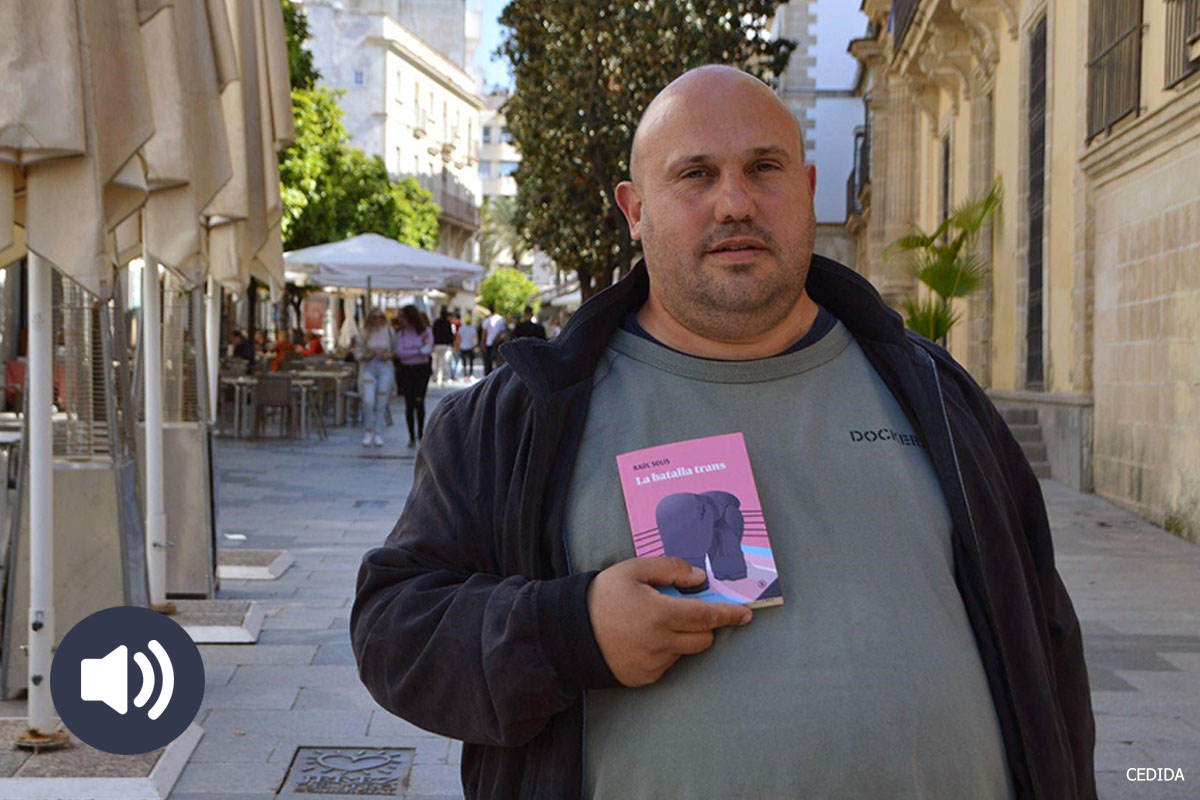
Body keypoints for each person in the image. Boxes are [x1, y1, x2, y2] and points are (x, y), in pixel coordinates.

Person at [351, 66, 1096, 800]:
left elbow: (1048, 643)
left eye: (763, 168)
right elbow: (394, 630)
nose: (734, 202)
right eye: (696, 174)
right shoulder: (519, 415)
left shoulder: (935, 392)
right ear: (635, 209)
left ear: (805, 190)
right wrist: (567, 631)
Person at [394, 304, 433, 448]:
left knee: (419, 400)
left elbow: (427, 350)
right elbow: (400, 353)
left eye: (402, 316)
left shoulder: (425, 331)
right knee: (409, 403)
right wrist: (417, 350)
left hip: (421, 370)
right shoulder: (401, 333)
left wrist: (412, 351)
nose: (400, 319)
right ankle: (411, 436)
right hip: (406, 370)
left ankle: (421, 434)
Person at [354, 308, 395, 447]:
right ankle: (368, 430)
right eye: (374, 317)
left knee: (382, 400)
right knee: (368, 400)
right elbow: (357, 355)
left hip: (385, 367)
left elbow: (395, 351)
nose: (377, 320)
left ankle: (378, 432)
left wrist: (387, 355)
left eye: (380, 317)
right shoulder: (364, 333)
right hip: (369, 366)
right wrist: (369, 354)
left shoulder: (389, 332)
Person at [431, 309, 456, 387]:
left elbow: (433, 333)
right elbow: (451, 335)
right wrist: (452, 344)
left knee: (438, 362)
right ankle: (442, 378)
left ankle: (438, 377)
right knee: (444, 362)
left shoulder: (436, 322)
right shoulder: (447, 323)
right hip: (446, 345)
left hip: (437, 345)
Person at [481, 305, 507, 375]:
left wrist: (483, 343)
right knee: (497, 361)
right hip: (499, 342)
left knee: (488, 361)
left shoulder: (487, 320)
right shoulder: (501, 319)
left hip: (489, 343)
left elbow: (484, 333)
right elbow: (504, 331)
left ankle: (488, 375)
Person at [455, 312, 477, 380]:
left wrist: (457, 345)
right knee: (471, 361)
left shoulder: (461, 328)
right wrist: (475, 345)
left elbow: (458, 338)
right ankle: (470, 374)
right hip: (470, 346)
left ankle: (465, 375)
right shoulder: (472, 328)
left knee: (464, 362)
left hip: (462, 346)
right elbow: (475, 338)